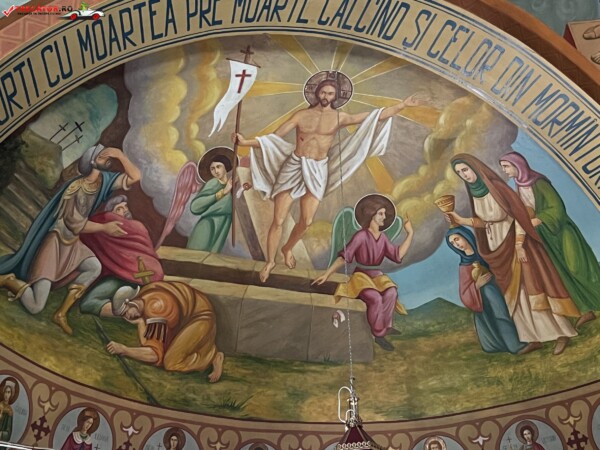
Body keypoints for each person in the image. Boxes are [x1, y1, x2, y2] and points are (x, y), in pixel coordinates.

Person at [234, 71, 424, 282]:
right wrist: (245, 142)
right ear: (317, 93)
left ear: (336, 96)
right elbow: (274, 138)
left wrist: (402, 105)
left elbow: (373, 116)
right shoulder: (301, 115)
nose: (326, 96)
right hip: (294, 166)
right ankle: (270, 262)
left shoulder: (339, 117)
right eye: (323, 92)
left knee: (306, 221)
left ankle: (287, 248)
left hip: (317, 170)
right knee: (278, 219)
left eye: (330, 93)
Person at [445, 154, 580, 355]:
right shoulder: (474, 193)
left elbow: (519, 217)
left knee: (532, 288)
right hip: (497, 251)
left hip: (515, 243)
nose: (463, 175)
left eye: (465, 169)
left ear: (475, 168)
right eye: (459, 173)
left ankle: (561, 333)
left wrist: (519, 245)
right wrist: (461, 220)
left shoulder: (497, 187)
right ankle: (533, 337)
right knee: (515, 298)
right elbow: (485, 222)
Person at [0, 144, 141, 335]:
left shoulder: (104, 181)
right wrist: (104, 227)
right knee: (35, 306)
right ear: (92, 161)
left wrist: (120, 155)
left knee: (94, 266)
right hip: (55, 244)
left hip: (73, 245)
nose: (107, 158)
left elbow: (135, 176)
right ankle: (8, 280)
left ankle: (61, 313)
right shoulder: (75, 188)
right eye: (102, 156)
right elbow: (74, 223)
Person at [499, 151, 598, 328]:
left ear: (518, 165)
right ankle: (585, 310)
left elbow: (557, 207)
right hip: (545, 238)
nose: (504, 170)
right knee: (561, 273)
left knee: (576, 267)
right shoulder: (519, 187)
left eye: (506, 166)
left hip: (561, 232)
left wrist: (537, 220)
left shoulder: (539, 182)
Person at [313, 194, 413, 351]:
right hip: (361, 276)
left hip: (377, 276)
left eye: (384, 214)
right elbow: (344, 257)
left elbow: (397, 255)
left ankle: (386, 327)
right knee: (375, 298)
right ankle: (378, 334)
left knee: (391, 292)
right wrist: (327, 274)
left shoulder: (383, 238)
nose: (384, 217)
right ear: (371, 215)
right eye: (381, 213)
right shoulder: (361, 236)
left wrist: (410, 234)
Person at [105, 281, 224, 382]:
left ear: (130, 302)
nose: (127, 318)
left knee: (171, 362)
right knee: (170, 353)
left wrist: (125, 350)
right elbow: (148, 343)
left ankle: (211, 356)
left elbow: (154, 354)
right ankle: (204, 351)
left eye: (125, 312)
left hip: (200, 319)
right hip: (185, 319)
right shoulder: (144, 299)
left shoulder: (157, 307)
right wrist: (141, 323)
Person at [78, 194, 164, 317]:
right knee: (91, 302)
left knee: (88, 303)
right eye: (119, 208)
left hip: (125, 276)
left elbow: (81, 227)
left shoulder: (134, 226)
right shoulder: (112, 221)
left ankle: (123, 309)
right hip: (143, 277)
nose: (125, 210)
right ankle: (131, 305)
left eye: (125, 207)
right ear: (111, 213)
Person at [446, 227, 528, 354]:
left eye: (457, 239)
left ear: (465, 236)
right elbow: (464, 293)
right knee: (498, 310)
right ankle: (515, 346)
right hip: (485, 296)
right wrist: (477, 285)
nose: (456, 244)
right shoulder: (465, 265)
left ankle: (523, 339)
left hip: (501, 287)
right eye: (452, 243)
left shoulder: (483, 251)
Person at [187, 148, 235, 253]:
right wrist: (222, 192)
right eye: (212, 169)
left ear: (225, 167)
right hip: (208, 224)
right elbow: (195, 207)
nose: (216, 171)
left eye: (218, 167)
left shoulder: (232, 184)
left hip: (223, 224)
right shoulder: (213, 183)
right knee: (196, 255)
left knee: (211, 257)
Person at [0, 378, 17, 447]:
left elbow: (8, 433)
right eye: (5, 392)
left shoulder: (9, 411)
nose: (6, 394)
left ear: (11, 394)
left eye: (8, 392)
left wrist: (1, 434)